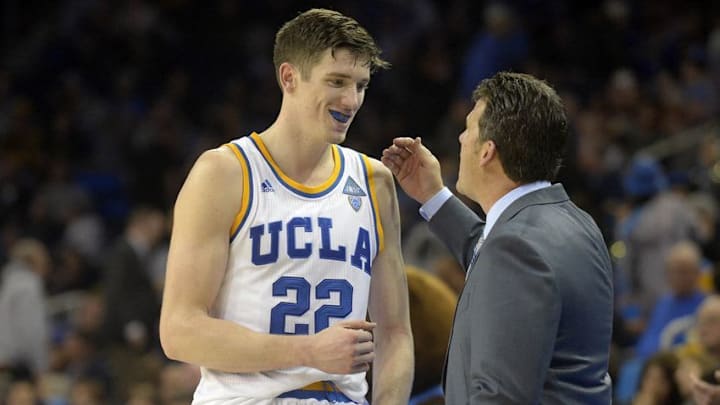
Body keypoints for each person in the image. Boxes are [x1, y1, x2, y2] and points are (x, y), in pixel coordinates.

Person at [159, 8, 413, 404]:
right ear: (289, 77)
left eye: (361, 85)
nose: (351, 100)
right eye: (337, 82)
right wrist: (306, 352)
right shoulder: (224, 173)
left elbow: (395, 333)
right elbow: (179, 331)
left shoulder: (374, 181)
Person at [382, 71, 614, 403]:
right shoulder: (573, 222)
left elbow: (502, 397)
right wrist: (433, 196)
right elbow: (490, 252)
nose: (460, 139)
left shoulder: (514, 249)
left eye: (468, 128)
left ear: (487, 151)